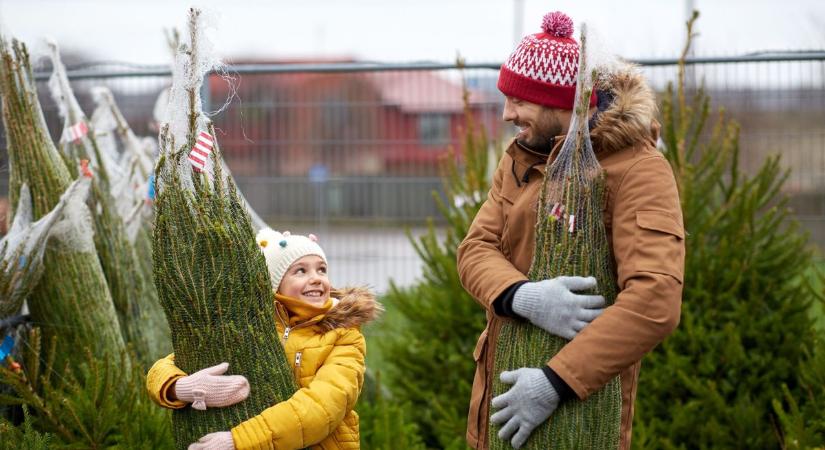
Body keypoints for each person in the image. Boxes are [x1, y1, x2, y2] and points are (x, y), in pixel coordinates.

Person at [456, 10, 685, 450]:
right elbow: (475, 248)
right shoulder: (523, 157)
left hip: (579, 413)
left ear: (559, 100)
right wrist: (524, 297)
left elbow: (655, 299)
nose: (507, 114)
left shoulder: (638, 170)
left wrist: (553, 383)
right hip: (500, 404)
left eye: (519, 100)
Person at [147, 229, 381, 450]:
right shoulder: (255, 324)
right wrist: (181, 387)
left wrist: (240, 440)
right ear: (274, 284)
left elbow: (323, 407)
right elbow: (168, 364)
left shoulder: (344, 335)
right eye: (301, 271)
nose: (317, 278)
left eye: (321, 269)